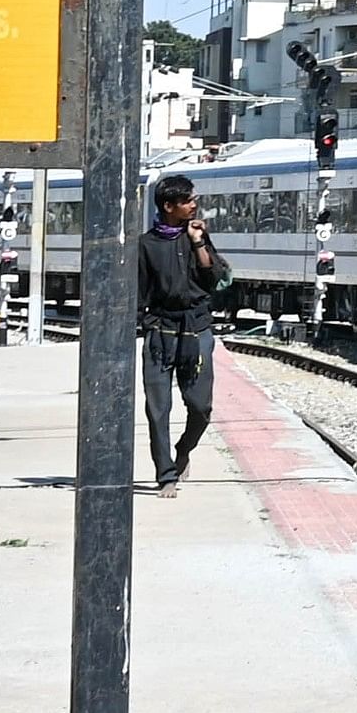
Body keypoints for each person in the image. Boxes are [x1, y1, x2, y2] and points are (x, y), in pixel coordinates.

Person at [135, 175, 228, 495]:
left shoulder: (197, 236)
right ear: (168, 206)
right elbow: (140, 291)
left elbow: (214, 278)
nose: (194, 204)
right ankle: (166, 475)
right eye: (187, 200)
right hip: (160, 333)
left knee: (200, 406)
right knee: (157, 409)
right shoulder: (145, 245)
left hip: (197, 330)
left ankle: (184, 449)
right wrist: (142, 327)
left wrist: (199, 241)